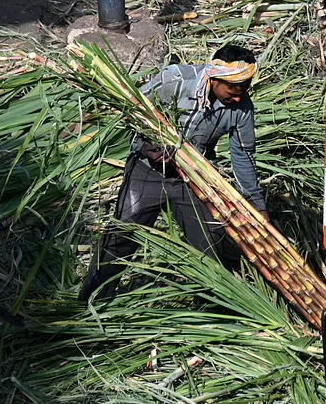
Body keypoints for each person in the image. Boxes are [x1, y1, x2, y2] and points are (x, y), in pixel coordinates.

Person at [79, 44, 269, 301]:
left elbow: (243, 156)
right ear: (213, 78)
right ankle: (91, 303)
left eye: (244, 89)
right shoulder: (175, 80)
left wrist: (257, 204)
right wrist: (146, 147)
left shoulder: (242, 108)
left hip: (194, 177)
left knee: (209, 241)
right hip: (148, 171)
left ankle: (209, 310)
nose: (238, 97)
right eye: (232, 90)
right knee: (122, 235)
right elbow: (133, 114)